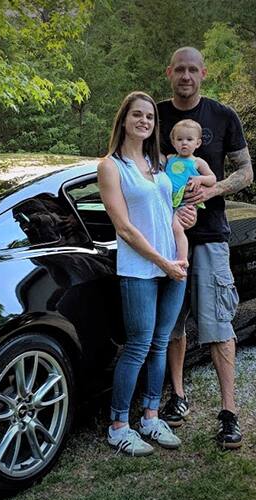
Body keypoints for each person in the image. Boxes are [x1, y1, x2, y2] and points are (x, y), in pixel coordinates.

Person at [156, 47, 254, 449]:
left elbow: (246, 172)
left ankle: (229, 413)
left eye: (192, 69)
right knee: (173, 323)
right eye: (179, 68)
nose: (186, 75)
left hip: (211, 235)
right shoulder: (153, 114)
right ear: (169, 72)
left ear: (203, 74)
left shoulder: (223, 115)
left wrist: (210, 189)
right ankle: (177, 398)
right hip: (165, 236)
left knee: (217, 324)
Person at [97, 91, 192, 456]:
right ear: (123, 119)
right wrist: (162, 262)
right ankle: (119, 425)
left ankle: (151, 416)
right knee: (137, 345)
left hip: (172, 267)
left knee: (160, 341)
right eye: (137, 115)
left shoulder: (158, 163)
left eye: (150, 117)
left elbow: (171, 215)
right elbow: (125, 228)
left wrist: (180, 258)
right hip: (139, 268)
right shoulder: (111, 166)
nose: (144, 121)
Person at [165, 119, 217, 263]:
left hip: (186, 202)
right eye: (179, 139)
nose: (184, 143)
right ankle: (169, 255)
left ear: (198, 143)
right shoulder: (169, 158)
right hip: (169, 202)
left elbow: (212, 179)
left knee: (176, 227)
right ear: (173, 142)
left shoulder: (197, 162)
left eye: (189, 139)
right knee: (167, 228)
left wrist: (199, 180)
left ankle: (182, 259)